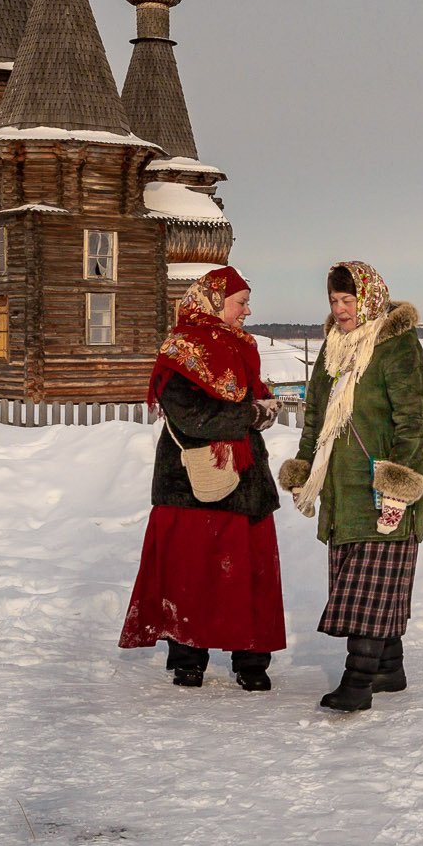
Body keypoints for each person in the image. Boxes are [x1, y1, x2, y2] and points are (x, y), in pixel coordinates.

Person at [278, 261, 423, 713]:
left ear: (367, 298)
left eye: (348, 300)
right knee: (360, 581)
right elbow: (315, 417)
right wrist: (305, 466)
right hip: (342, 490)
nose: (341, 309)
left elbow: (415, 421)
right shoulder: (333, 349)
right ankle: (389, 667)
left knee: (368, 587)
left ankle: (358, 681)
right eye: (334, 301)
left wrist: (398, 484)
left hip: (379, 489)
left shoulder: (396, 348)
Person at [119, 265, 285, 690]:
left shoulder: (242, 347)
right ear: (214, 303)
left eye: (247, 302)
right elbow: (190, 415)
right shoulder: (180, 351)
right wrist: (249, 413)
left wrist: (265, 407)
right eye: (241, 302)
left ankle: (251, 661)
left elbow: (248, 397)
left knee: (245, 574)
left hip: (243, 481)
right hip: (190, 482)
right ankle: (187, 658)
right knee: (190, 574)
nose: (247, 311)